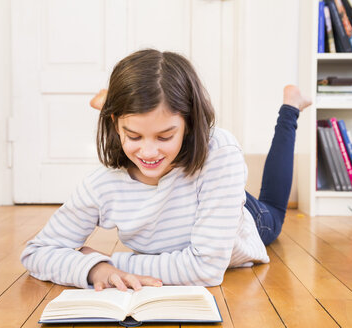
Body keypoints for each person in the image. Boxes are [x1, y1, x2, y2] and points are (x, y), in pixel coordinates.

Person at [20, 49, 311, 292]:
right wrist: (95, 270)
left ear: (190, 123)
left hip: (234, 209)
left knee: (274, 209)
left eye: (164, 136)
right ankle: (118, 106)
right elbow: (37, 252)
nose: (147, 153)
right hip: (187, 194)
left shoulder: (221, 152)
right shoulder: (102, 185)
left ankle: (291, 107)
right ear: (115, 123)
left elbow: (206, 269)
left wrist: (109, 261)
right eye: (133, 135)